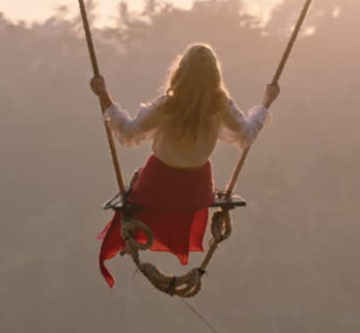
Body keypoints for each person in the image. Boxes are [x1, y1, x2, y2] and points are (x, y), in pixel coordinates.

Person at [91, 43, 279, 286]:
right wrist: (265, 104)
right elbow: (245, 135)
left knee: (136, 191)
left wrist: (104, 96)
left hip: (155, 187)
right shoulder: (220, 106)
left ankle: (132, 236)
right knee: (153, 188)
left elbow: (128, 134)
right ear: (215, 75)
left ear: (181, 71)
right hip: (196, 191)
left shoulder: (167, 105)